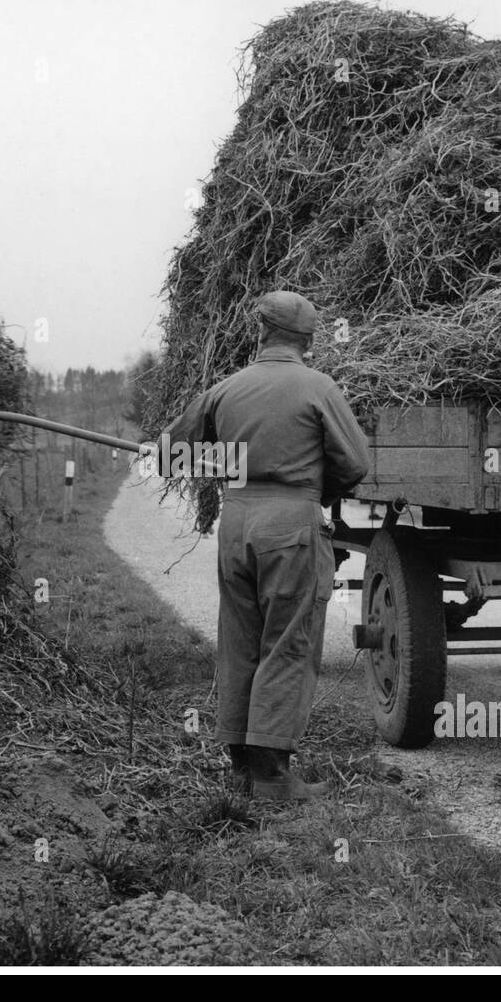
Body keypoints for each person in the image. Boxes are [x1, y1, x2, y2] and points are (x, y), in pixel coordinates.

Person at [161, 291, 371, 800]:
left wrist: (224, 461)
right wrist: (324, 484)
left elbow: (170, 455)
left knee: (240, 643)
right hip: (291, 524)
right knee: (288, 642)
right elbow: (356, 464)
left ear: (260, 332)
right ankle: (273, 776)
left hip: (236, 525)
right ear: (308, 339)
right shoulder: (318, 388)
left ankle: (241, 770)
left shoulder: (225, 390)